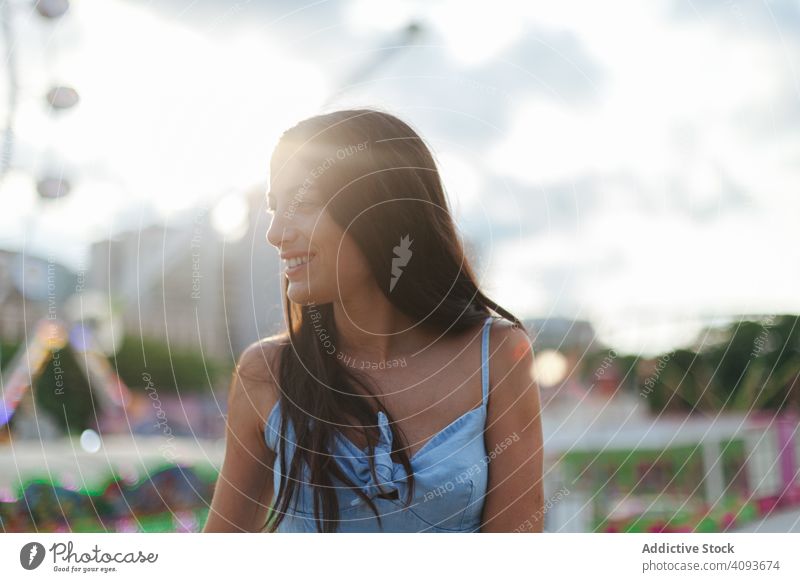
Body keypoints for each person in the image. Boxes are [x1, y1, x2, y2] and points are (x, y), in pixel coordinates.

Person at [203, 109, 543, 532]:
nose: (275, 233)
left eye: (303, 203)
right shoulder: (265, 375)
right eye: (274, 207)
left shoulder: (499, 356)